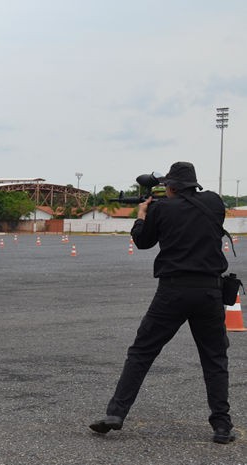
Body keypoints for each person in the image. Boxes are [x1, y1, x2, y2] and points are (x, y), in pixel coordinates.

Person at [89, 161, 235, 444]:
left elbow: (143, 241)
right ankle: (221, 426)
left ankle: (116, 414)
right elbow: (198, 213)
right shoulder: (214, 203)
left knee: (141, 353)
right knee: (215, 359)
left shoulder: (161, 209)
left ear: (170, 187)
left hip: (173, 291)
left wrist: (142, 214)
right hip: (209, 291)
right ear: (194, 184)